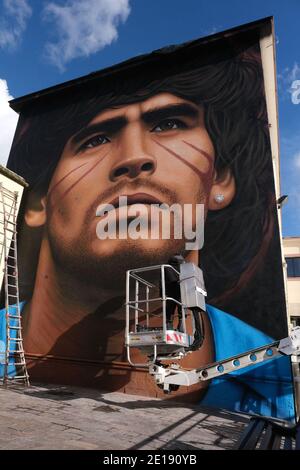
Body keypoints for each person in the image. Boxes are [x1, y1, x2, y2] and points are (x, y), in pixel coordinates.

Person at [0, 38, 295, 420]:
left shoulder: (266, 372)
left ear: (219, 179)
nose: (135, 157)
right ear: (39, 201)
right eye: (96, 138)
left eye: (169, 123)